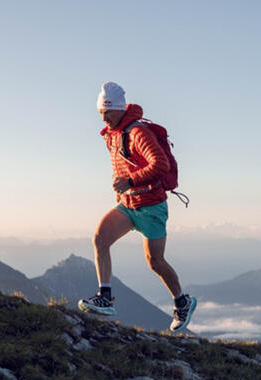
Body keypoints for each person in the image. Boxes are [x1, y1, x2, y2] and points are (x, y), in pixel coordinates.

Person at [78, 81, 197, 332]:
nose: (104, 118)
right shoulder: (112, 136)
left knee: (155, 262)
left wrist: (130, 181)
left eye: (107, 112)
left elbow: (160, 164)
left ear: (119, 109)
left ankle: (182, 302)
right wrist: (123, 191)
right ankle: (105, 297)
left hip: (152, 207)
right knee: (100, 238)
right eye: (101, 113)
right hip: (128, 204)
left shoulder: (137, 133)